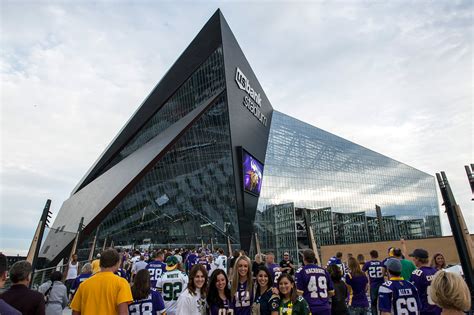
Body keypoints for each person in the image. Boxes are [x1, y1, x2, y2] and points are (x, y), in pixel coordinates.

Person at [70, 248, 133, 315]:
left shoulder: (84, 284)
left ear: (100, 263)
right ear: (117, 263)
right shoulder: (121, 283)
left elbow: (75, 311)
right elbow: (123, 312)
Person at [295, 249, 334, 315]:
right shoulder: (324, 271)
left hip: (310, 308)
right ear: (314, 259)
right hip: (325, 308)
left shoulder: (301, 271)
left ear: (304, 258)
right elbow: (331, 292)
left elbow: (299, 293)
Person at [409, 248, 441, 315]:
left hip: (425, 310)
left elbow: (413, 293)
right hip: (438, 309)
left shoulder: (417, 273)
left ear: (418, 259)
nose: (413, 260)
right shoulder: (436, 272)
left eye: (414, 258)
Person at [362, 250, 384, 315]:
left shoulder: (368, 264)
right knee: (382, 303)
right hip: (381, 285)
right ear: (377, 255)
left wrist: (366, 281)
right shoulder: (381, 263)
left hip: (373, 285)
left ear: (371, 255)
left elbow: (362, 272)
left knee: (373, 303)